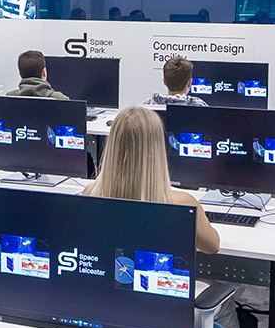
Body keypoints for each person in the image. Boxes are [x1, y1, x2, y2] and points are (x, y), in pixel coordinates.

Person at [84, 108, 220, 254]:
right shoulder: (182, 204)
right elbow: (212, 247)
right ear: (157, 148)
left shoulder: (90, 193)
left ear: (112, 144)